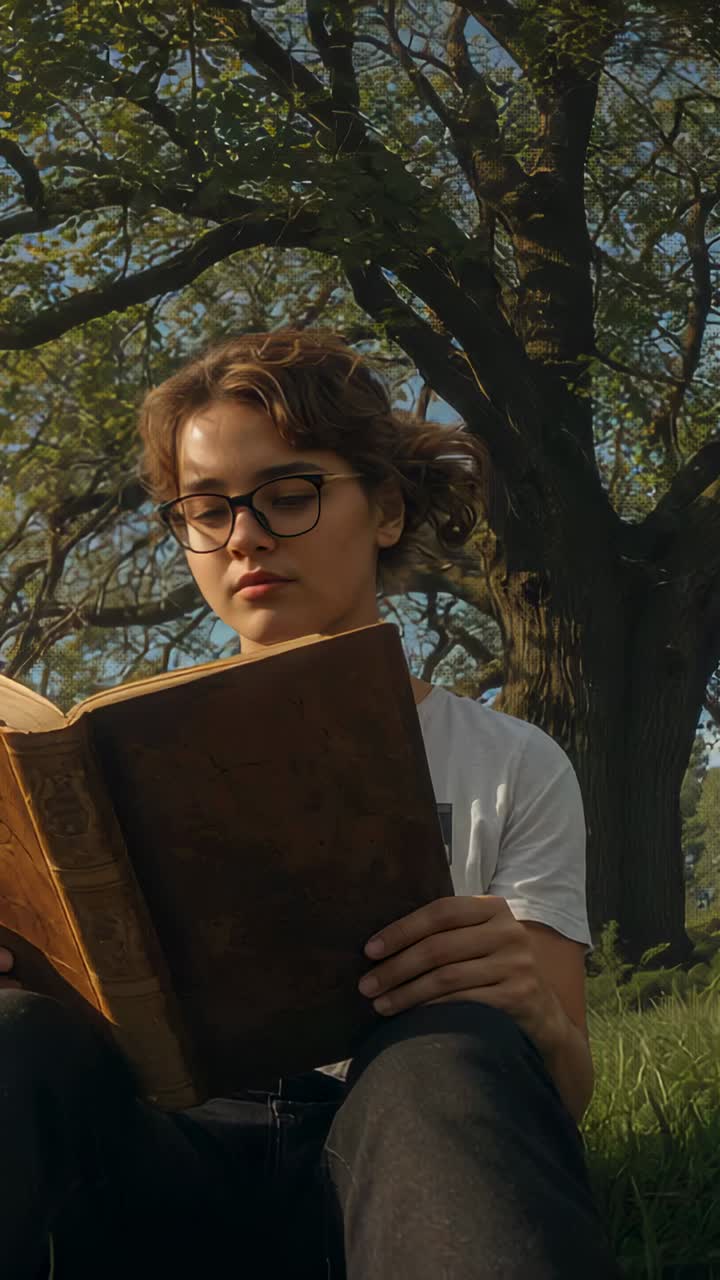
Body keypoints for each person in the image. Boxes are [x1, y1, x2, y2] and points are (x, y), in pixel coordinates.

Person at [0, 329, 622, 1279]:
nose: (242, 535)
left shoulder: (511, 762)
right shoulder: (108, 768)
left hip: (393, 1161)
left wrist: (530, 1011)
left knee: (447, 1051)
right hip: (155, 1164)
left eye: (287, 496)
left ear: (384, 509)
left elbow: (561, 1096)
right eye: (203, 513)